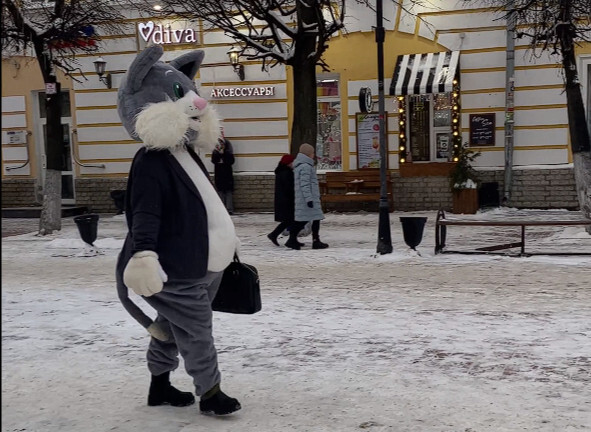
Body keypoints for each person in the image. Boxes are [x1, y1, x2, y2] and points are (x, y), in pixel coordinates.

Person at [115, 45, 241, 416]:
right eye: (177, 94)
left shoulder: (185, 153)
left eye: (189, 91)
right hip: (177, 267)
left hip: (204, 264)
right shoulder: (151, 160)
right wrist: (144, 253)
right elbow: (145, 213)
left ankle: (159, 385)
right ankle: (211, 392)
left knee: (170, 325)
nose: (196, 102)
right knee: (197, 329)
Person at [286, 143, 329, 250]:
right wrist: (309, 199)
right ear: (308, 154)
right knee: (305, 220)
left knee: (311, 219)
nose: (313, 155)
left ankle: (310, 240)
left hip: (306, 198)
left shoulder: (302, 166)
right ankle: (298, 240)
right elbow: (305, 185)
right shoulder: (305, 167)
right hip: (308, 199)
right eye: (312, 153)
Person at [267, 154, 304, 247]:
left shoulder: (281, 171)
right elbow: (290, 188)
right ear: (288, 163)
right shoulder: (287, 173)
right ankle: (280, 236)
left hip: (283, 200)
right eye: (292, 162)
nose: (293, 164)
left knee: (289, 220)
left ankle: (286, 237)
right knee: (291, 220)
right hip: (287, 201)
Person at [211, 136, 235, 214]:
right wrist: (218, 153)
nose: (221, 146)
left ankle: (229, 209)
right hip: (219, 175)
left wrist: (224, 153)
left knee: (228, 192)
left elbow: (231, 161)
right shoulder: (215, 152)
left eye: (222, 144)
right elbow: (214, 161)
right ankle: (222, 209)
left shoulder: (228, 152)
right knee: (220, 192)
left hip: (227, 175)